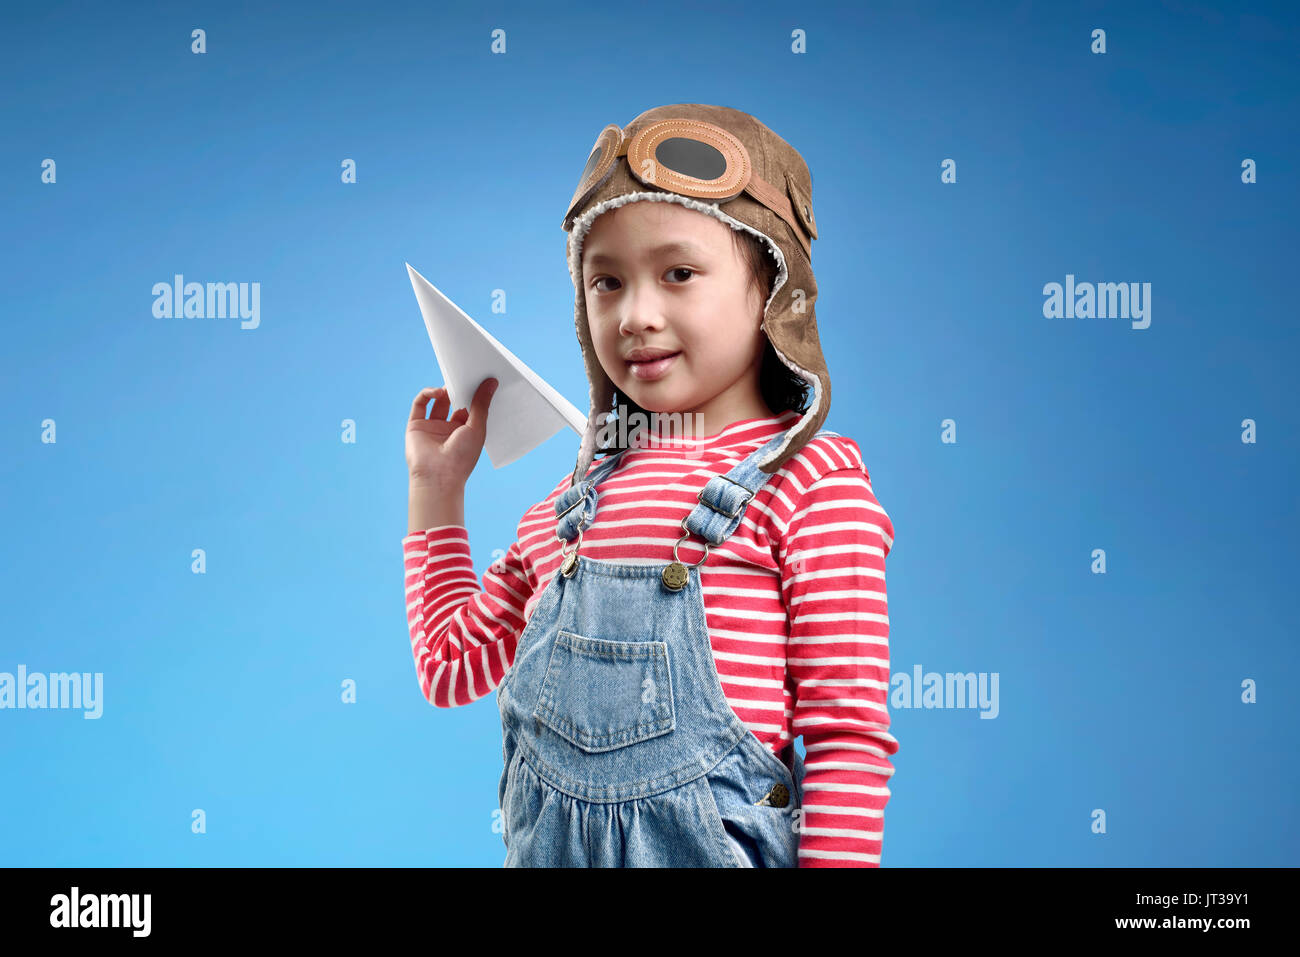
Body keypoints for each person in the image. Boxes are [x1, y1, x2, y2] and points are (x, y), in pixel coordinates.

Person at [403, 104, 896, 867]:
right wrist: (437, 489)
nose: (635, 315)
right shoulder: (569, 510)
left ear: (773, 287)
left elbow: (846, 736)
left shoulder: (810, 485)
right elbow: (448, 666)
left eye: (678, 273)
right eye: (606, 281)